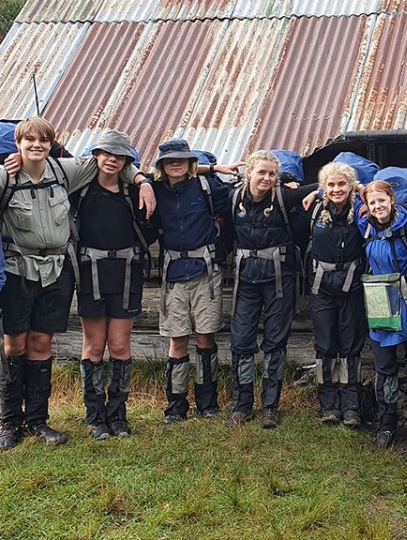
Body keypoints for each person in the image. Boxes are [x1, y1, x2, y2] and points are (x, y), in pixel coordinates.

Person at [0, 117, 153, 450]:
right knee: (14, 344)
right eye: (29, 141)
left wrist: (142, 179)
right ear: (19, 144)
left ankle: (38, 421)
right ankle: (10, 422)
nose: (36, 146)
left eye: (43, 141)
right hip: (17, 267)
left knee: (41, 342)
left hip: (56, 269)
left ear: (52, 144)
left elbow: (114, 165)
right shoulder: (6, 177)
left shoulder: (64, 171)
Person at [147, 138, 233, 425]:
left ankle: (207, 402)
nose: (175, 164)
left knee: (206, 336)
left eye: (182, 159)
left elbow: (244, 194)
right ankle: (175, 404)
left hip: (205, 271)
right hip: (173, 273)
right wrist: (212, 166)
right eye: (169, 160)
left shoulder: (209, 188)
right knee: (178, 338)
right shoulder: (154, 190)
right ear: (160, 165)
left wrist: (211, 170)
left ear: (191, 163)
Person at [72, 130, 151, 440]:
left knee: (119, 345)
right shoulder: (79, 189)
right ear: (96, 156)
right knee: (93, 346)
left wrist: (143, 181)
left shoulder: (134, 193)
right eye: (106, 153)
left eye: (119, 156)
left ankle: (118, 415)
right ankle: (94, 416)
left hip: (127, 274)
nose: (112, 159)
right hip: (91, 274)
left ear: (126, 161)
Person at [227, 150, 311, 428]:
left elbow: (330, 183)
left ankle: (270, 407)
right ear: (249, 172)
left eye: (272, 174)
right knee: (241, 342)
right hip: (246, 280)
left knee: (276, 342)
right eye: (261, 172)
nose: (266, 178)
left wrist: (311, 193)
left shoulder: (284, 197)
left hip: (278, 280)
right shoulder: (233, 198)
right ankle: (241, 406)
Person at [358, 180, 407, 449]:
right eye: (372, 202)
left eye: (382, 200)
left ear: (392, 199)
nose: (378, 206)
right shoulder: (365, 225)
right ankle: (386, 424)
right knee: (385, 368)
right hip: (379, 299)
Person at [307, 162, 367, 427]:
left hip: (352, 286)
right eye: (331, 184)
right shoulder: (315, 210)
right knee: (325, 345)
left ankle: (351, 406)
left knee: (350, 346)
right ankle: (328, 405)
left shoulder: (361, 211)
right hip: (322, 288)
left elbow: (387, 206)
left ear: (351, 186)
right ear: (324, 188)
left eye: (342, 184)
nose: (336, 189)